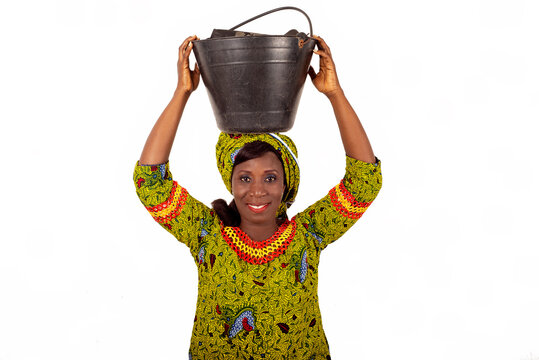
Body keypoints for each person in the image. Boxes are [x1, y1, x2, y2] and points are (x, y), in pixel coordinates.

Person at [134, 34, 382, 359]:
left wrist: (334, 94)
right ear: (231, 183)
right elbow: (150, 183)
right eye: (245, 178)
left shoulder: (308, 236)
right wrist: (182, 93)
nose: (257, 190)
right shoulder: (207, 235)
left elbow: (364, 181)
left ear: (286, 185)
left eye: (270, 178)